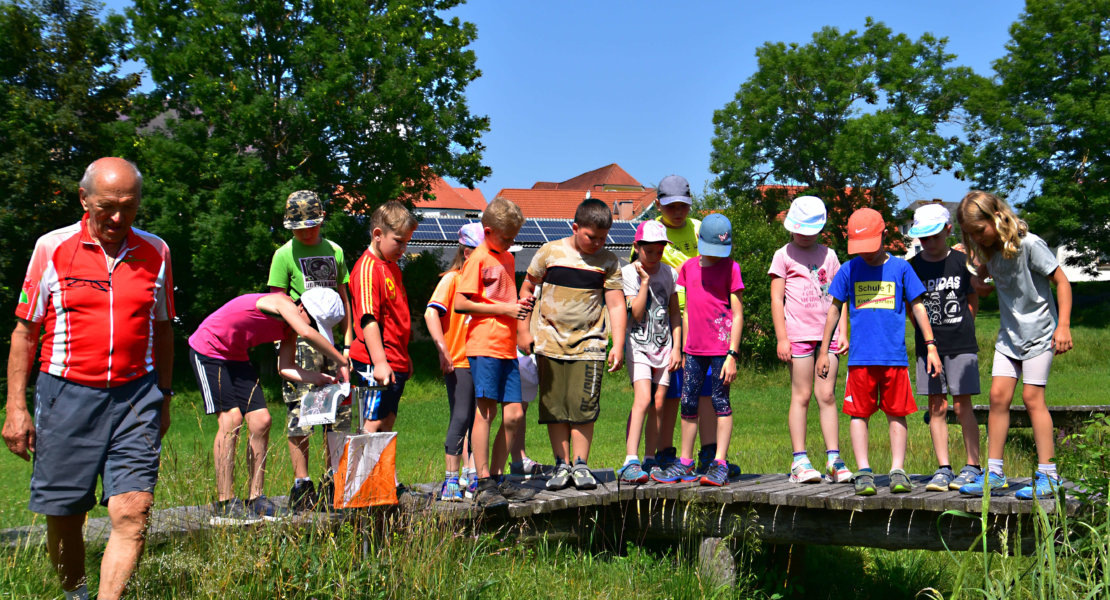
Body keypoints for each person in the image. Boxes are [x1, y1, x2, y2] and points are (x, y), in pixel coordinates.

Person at [3, 158, 173, 600]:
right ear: (84, 199)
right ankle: (75, 592)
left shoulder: (156, 251)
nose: (118, 218)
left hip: (137, 394)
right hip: (66, 394)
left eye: (129, 207)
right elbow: (25, 331)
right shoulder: (52, 248)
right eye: (107, 207)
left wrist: (166, 395)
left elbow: (164, 328)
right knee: (64, 514)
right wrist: (16, 407)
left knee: (133, 511)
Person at [189, 287, 348, 523]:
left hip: (235, 356)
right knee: (231, 419)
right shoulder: (281, 303)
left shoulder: (289, 330)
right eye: (314, 322)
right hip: (208, 349)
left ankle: (256, 498)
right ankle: (224, 502)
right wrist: (341, 360)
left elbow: (284, 367)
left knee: (262, 420)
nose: (312, 329)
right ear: (302, 307)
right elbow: (305, 329)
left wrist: (315, 377)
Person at [816, 208, 942, 496]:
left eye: (871, 247)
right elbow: (834, 309)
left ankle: (898, 469)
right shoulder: (849, 269)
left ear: (885, 236)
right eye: (860, 249)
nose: (866, 255)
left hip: (894, 359)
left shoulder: (901, 268)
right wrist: (824, 351)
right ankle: (864, 471)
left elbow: (919, 307)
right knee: (858, 414)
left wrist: (931, 346)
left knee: (897, 413)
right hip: (860, 360)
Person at [955, 191, 1073, 500]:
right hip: (1009, 337)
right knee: (997, 397)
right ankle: (994, 474)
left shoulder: (1030, 245)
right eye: (970, 235)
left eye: (979, 231)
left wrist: (1063, 326)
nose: (977, 238)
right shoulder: (989, 252)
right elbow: (982, 279)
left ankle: (1048, 475)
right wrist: (979, 284)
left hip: (1040, 334)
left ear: (996, 217)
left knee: (1032, 397)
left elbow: (1063, 282)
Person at [518, 198, 626, 491]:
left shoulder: (608, 261)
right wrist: (522, 330)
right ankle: (561, 464)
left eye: (603, 238)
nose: (597, 243)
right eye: (592, 236)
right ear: (575, 227)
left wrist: (617, 342)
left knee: (583, 406)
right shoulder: (549, 253)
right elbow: (527, 289)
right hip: (549, 343)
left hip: (589, 345)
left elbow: (616, 304)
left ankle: (580, 465)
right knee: (554, 408)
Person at [639, 175, 734, 478]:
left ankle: (710, 454)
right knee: (673, 393)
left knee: (709, 392)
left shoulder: (700, 229)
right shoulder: (651, 232)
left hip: (709, 326)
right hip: (670, 321)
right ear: (658, 204)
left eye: (683, 206)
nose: (678, 211)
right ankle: (666, 454)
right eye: (671, 206)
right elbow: (643, 274)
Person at [267, 190, 354, 512]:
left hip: (333, 341)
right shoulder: (283, 255)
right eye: (299, 227)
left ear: (322, 221)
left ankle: (334, 479)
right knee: (300, 410)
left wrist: (346, 344)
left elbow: (344, 298)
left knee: (338, 409)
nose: (306, 232)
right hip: (300, 339)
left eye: (312, 225)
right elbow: (277, 303)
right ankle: (302, 484)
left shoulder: (335, 251)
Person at [652, 214, 744, 487]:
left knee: (720, 402)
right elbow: (687, 310)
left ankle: (719, 463)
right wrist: (681, 347)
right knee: (688, 403)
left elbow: (738, 314)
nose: (715, 257)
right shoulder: (688, 268)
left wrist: (732, 354)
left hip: (721, 350)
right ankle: (685, 462)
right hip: (693, 351)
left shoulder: (732, 268)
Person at [454, 198, 533, 507]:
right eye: (507, 237)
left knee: (514, 414)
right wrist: (505, 309)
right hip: (484, 344)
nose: (511, 242)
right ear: (488, 231)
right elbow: (461, 303)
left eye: (514, 237)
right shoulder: (478, 259)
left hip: (507, 347)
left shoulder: (508, 259)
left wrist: (519, 313)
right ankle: (484, 480)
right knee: (486, 411)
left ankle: (499, 478)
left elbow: (507, 300)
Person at [769, 196, 852, 484]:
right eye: (800, 230)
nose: (805, 235)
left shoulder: (829, 255)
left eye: (811, 230)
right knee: (802, 395)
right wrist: (782, 338)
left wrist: (843, 331)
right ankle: (799, 461)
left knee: (827, 396)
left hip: (827, 338)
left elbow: (839, 297)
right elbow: (776, 299)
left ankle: (833, 459)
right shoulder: (783, 255)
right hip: (799, 338)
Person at [906, 204, 983, 492]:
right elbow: (911, 308)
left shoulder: (962, 262)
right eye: (923, 238)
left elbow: (973, 298)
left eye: (934, 237)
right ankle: (943, 467)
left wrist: (966, 324)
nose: (929, 243)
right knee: (936, 406)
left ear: (948, 231)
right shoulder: (912, 268)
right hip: (929, 349)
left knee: (963, 405)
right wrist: (927, 339)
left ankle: (973, 465)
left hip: (961, 344)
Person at [617, 221, 682, 484]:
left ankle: (649, 458)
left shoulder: (669, 273)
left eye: (660, 251)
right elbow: (636, 312)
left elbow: (675, 313)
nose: (655, 257)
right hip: (638, 345)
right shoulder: (628, 274)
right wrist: (644, 281)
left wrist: (678, 347)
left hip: (664, 347)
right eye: (649, 251)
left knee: (658, 404)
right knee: (643, 399)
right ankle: (630, 459)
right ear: (637, 247)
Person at [426, 223, 483, 502]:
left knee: (476, 419)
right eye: (479, 251)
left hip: (481, 359)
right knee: (460, 416)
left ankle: (470, 473)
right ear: (466, 250)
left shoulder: (483, 279)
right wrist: (442, 349)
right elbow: (430, 313)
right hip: (459, 359)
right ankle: (450, 480)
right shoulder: (452, 279)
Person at [348, 201, 416, 434]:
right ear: (378, 234)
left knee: (387, 421)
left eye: (407, 242)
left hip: (396, 359)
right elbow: (368, 319)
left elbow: (397, 318)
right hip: (374, 360)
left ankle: (379, 472)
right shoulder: (368, 268)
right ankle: (353, 471)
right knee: (372, 423)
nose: (403, 248)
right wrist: (379, 362)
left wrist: (404, 357)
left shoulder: (393, 267)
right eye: (398, 241)